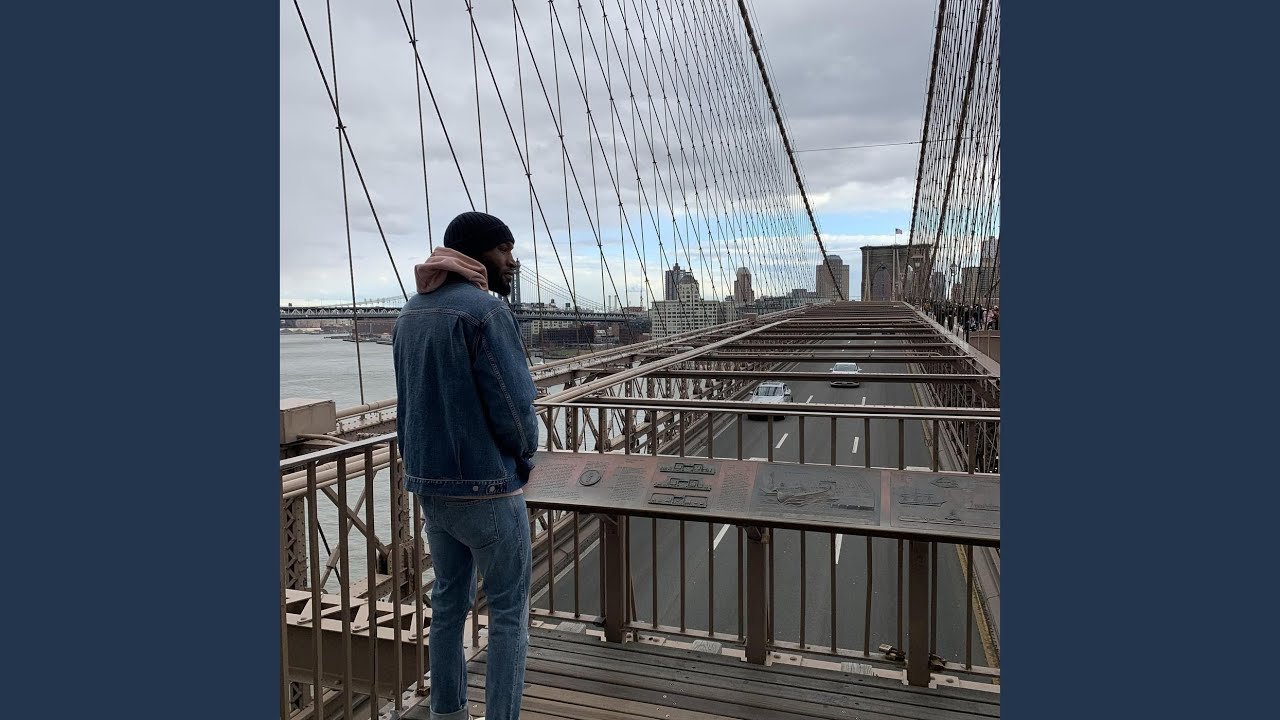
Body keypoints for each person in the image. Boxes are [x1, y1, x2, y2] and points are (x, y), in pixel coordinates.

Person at [394, 211, 537, 720]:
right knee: (508, 614)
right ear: (478, 254)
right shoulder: (487, 312)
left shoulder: (409, 313)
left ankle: (446, 712)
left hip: (432, 491)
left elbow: (407, 406)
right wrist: (524, 456)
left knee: (449, 604)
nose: (512, 261)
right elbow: (515, 409)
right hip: (489, 491)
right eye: (504, 249)